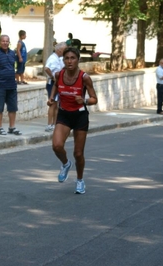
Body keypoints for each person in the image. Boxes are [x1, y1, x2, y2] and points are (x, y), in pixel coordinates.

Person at [47, 47, 98, 194]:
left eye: (72, 58)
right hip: (64, 114)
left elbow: (94, 99)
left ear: (78, 60)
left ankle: (80, 180)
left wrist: (84, 101)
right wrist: (51, 98)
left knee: (78, 153)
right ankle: (65, 163)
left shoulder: (84, 78)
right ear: (63, 60)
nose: (69, 61)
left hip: (80, 115)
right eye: (66, 58)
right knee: (56, 146)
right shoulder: (59, 74)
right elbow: (56, 87)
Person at [0, 35, 22, 136]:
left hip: (11, 85)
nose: (5, 43)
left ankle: (12, 127)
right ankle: (0, 128)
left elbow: (13, 67)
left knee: (13, 107)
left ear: (9, 42)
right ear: (0, 42)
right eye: (3, 41)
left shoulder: (12, 54)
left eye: (7, 41)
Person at [44, 42, 67, 132]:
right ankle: (49, 124)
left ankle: (55, 123)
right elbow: (46, 68)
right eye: (64, 50)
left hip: (58, 83)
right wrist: (52, 77)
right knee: (52, 104)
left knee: (57, 104)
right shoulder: (52, 58)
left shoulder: (59, 58)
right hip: (52, 84)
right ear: (59, 50)